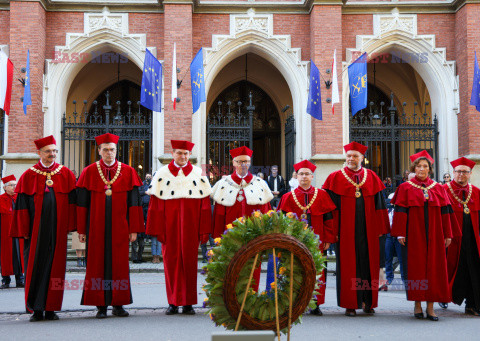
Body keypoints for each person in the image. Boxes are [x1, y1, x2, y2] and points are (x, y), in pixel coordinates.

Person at [77, 133, 144, 319]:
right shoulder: (89, 171)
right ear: (99, 151)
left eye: (112, 149)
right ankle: (100, 305)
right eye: (105, 149)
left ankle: (118, 304)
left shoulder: (129, 171)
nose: (109, 153)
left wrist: (134, 228)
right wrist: (81, 230)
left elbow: (135, 204)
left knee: (120, 265)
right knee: (96, 264)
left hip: (120, 228)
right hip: (95, 227)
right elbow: (82, 204)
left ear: (117, 150)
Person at [10, 135, 77, 322]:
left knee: (56, 269)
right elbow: (21, 207)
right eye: (48, 151)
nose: (52, 155)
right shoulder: (28, 175)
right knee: (35, 268)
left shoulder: (66, 174)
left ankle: (51, 309)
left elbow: (72, 203)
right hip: (35, 233)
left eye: (55, 151)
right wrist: (23, 230)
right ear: (39, 153)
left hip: (57, 231)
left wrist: (72, 226)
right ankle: (36, 309)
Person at [323, 141, 390, 317]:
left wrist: (382, 228)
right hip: (344, 230)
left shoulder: (372, 177)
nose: (351, 159)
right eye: (349, 156)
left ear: (362, 158)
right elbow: (329, 208)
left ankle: (368, 302)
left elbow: (380, 205)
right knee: (348, 266)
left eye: (355, 156)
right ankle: (350, 303)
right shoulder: (335, 177)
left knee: (369, 265)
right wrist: (331, 231)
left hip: (369, 229)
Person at [146, 140, 212, 315]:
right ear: (173, 153)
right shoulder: (162, 173)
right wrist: (157, 230)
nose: (182, 157)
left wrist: (204, 229)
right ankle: (173, 302)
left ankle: (188, 303)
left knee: (190, 263)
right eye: (179, 153)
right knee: (171, 263)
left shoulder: (198, 174)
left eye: (185, 153)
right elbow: (155, 205)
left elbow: (205, 205)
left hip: (192, 227)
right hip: (169, 228)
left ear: (189, 155)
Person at [391, 150, 458, 321]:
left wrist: (448, 234)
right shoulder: (405, 187)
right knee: (416, 269)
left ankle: (431, 307)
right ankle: (417, 305)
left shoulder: (438, 188)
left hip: (435, 235)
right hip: (414, 235)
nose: (422, 169)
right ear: (414, 168)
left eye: (425, 166)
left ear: (430, 169)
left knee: (435, 270)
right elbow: (400, 211)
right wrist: (399, 233)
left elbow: (445, 212)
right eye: (419, 166)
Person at [278, 160, 336, 316]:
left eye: (307, 174)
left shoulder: (322, 195)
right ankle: (294, 302)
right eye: (301, 174)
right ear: (296, 176)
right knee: (294, 270)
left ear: (312, 176)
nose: (304, 177)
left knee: (317, 271)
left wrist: (329, 239)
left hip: (318, 241)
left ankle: (315, 303)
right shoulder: (288, 197)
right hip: (294, 240)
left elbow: (329, 219)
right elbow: (281, 221)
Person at [211, 146, 273, 291]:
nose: (242, 165)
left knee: (253, 272)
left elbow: (266, 213)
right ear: (233, 163)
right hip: (230, 239)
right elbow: (219, 215)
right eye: (239, 162)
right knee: (231, 272)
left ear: (250, 163)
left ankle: (251, 302)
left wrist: (266, 236)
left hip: (254, 239)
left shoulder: (260, 184)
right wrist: (217, 239)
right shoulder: (223, 185)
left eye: (245, 161)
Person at [444, 157, 480, 316]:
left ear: (470, 173)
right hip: (452, 239)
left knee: (474, 270)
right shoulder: (443, 190)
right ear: (453, 173)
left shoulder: (477, 192)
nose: (461, 175)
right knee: (454, 269)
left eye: (465, 172)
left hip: (472, 239)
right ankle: (445, 296)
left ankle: (472, 304)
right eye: (458, 172)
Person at [0, 175, 24, 289]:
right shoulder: (1, 199)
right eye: (12, 185)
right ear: (5, 187)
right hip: (5, 234)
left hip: (19, 232)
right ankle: (6, 280)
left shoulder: (20, 198)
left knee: (19, 255)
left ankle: (20, 279)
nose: (14, 187)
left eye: (15, 185)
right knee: (5, 256)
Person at [132, 173, 152, 264]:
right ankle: (135, 258)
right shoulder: (141, 186)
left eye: (149, 176)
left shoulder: (152, 184)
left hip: (144, 217)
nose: (148, 177)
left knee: (142, 244)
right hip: (136, 221)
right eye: (147, 176)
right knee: (135, 243)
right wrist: (145, 192)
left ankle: (139, 257)